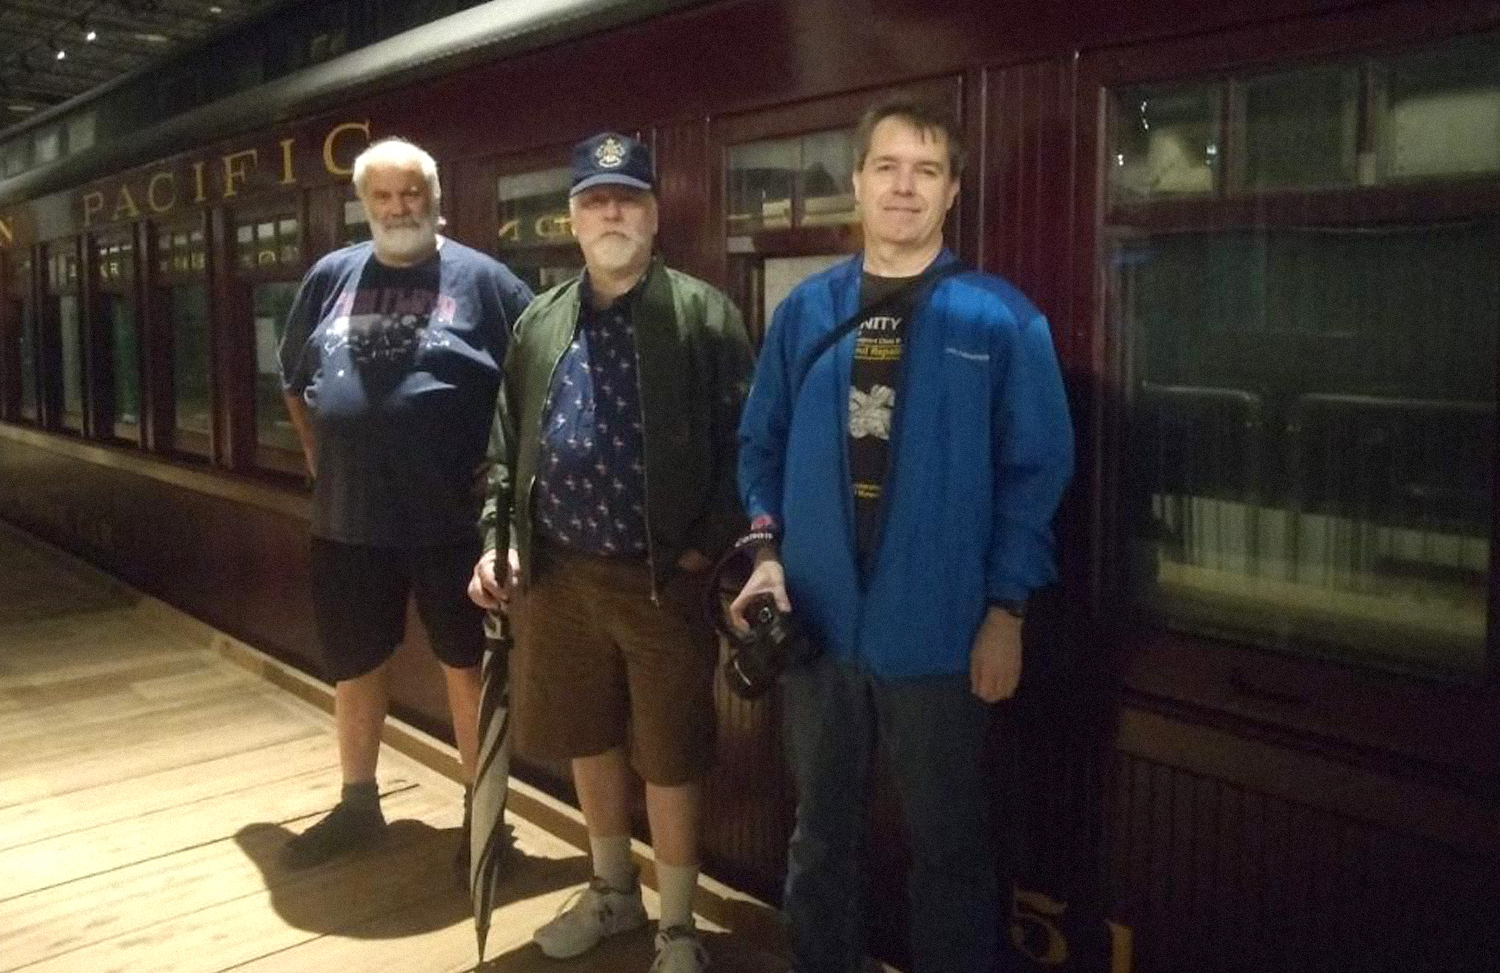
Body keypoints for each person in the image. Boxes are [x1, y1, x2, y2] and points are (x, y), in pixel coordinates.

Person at [733, 97, 1075, 973]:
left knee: (952, 849)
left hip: (943, 632)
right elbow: (760, 443)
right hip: (817, 629)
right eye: (886, 167)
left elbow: (1036, 473)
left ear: (953, 190)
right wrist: (766, 551)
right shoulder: (805, 313)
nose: (903, 186)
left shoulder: (999, 320)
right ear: (857, 181)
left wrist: (1007, 611)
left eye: (926, 171)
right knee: (819, 836)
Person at [469, 131, 751, 973]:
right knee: (586, 734)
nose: (611, 213)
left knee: (670, 753)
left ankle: (679, 928)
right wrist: (498, 541)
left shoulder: (704, 315)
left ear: (655, 215)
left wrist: (706, 549)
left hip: (663, 580)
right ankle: (611, 892)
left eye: (627, 198)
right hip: (558, 576)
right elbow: (506, 445)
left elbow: (746, 444)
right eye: (595, 201)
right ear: (573, 219)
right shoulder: (540, 319)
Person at [278, 137, 533, 869]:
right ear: (364, 204)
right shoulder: (331, 275)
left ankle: (485, 822)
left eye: (412, 192)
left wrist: (507, 478)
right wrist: (318, 455)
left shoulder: (485, 282)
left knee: (467, 667)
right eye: (383, 196)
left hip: (455, 520)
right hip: (348, 518)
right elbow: (294, 378)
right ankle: (358, 806)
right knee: (354, 664)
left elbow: (535, 380)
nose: (399, 208)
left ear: (436, 196)